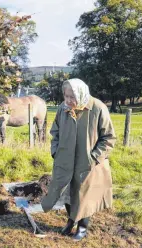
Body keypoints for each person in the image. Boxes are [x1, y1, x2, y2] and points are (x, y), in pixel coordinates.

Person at [41, 78, 116, 241]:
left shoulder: (98, 108)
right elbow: (55, 132)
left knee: (84, 195)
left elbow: (108, 138)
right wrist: (55, 151)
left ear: (81, 94)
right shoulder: (63, 108)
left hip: (88, 164)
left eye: (71, 97)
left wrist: (94, 157)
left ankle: (82, 227)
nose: (68, 100)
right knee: (67, 191)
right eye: (66, 96)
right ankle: (71, 221)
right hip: (65, 160)